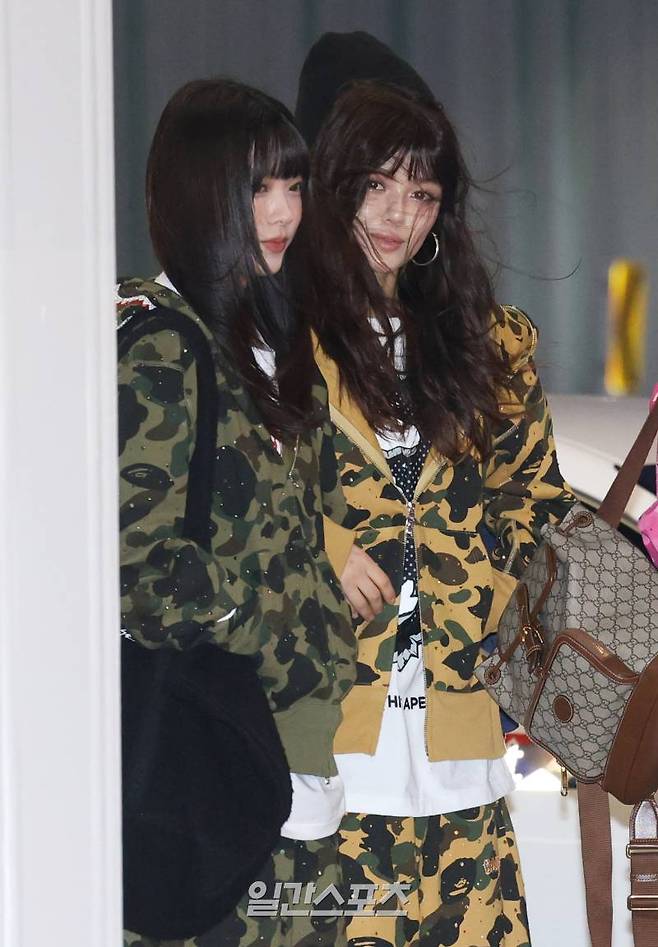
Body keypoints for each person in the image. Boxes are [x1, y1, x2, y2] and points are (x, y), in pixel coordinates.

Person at [294, 67, 576, 946]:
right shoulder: (284, 342)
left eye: (421, 193)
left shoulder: (489, 346)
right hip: (332, 759)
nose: (397, 214)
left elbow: (539, 504)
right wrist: (326, 549)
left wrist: (494, 596)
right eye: (377, 185)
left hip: (464, 761)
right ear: (334, 185)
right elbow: (243, 496)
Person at [118, 77, 357, 947]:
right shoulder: (159, 345)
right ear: (201, 190)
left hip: (296, 769)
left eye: (294, 184)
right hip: (213, 772)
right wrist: (282, 644)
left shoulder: (270, 338)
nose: (284, 210)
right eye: (258, 187)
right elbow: (138, 570)